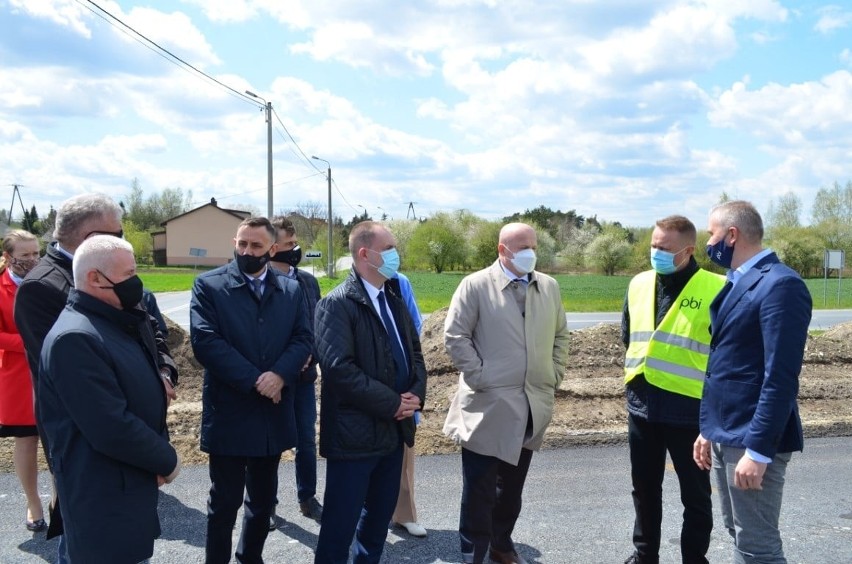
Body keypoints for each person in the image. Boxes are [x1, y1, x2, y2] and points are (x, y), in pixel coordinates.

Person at [14, 192, 178, 561]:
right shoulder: (46, 289)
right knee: (93, 538)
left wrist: (162, 371)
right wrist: (162, 458)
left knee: (122, 539)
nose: (122, 237)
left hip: (129, 444)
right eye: (116, 231)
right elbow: (89, 394)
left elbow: (146, 327)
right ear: (90, 237)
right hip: (92, 447)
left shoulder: (111, 270)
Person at [443, 222, 569, 564]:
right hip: (487, 405)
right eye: (522, 246)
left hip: (531, 404)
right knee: (480, 488)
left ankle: (501, 542)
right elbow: (456, 337)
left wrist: (553, 374)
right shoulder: (476, 285)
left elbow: (561, 335)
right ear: (502, 250)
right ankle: (474, 550)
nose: (531, 252)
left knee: (511, 489)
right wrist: (481, 376)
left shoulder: (548, 287)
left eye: (533, 245)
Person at [693, 200, 812, 564]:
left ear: (732, 234)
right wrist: (708, 429)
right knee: (738, 534)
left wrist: (758, 451)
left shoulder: (781, 285)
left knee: (757, 547)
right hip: (725, 432)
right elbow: (728, 365)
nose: (708, 243)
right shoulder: (738, 281)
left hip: (752, 440)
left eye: (711, 233)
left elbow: (779, 378)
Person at [190, 216, 312, 564]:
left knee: (261, 501)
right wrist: (260, 380)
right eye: (242, 243)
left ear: (272, 249)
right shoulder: (209, 286)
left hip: (271, 413)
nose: (247, 251)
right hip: (230, 411)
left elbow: (303, 338)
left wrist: (280, 375)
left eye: (256, 246)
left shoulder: (290, 290)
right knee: (224, 503)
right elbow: (206, 343)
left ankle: (250, 558)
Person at [313, 221, 427, 564]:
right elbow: (339, 369)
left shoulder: (393, 297)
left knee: (376, 527)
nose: (396, 254)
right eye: (389, 247)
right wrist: (394, 402)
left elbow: (415, 353)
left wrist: (416, 395)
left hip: (393, 435)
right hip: (354, 439)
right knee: (339, 529)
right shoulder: (337, 304)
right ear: (365, 253)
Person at [621, 216, 725, 564]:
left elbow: (726, 354)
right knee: (644, 489)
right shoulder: (638, 284)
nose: (656, 253)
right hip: (642, 406)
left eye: (664, 248)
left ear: (688, 251)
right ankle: (644, 555)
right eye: (653, 245)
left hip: (690, 411)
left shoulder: (716, 287)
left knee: (695, 497)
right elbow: (629, 336)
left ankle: (694, 559)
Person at [268, 216, 323, 527]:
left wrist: (308, 355)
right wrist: (286, 362)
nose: (295, 250)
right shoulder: (262, 282)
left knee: (306, 439)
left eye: (294, 243)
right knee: (271, 443)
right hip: (274, 381)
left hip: (303, 379)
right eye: (288, 245)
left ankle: (307, 497)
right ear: (273, 247)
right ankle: (267, 504)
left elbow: (316, 326)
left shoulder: (307, 282)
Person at [0, 230, 46, 532]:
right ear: (8, 257)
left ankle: (61, 502)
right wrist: (28, 342)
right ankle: (33, 503)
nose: (32, 260)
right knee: (27, 440)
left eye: (36, 253)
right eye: (25, 255)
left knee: (61, 441)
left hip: (56, 369)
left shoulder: (50, 280)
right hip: (19, 376)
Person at [389, 271, 427, 538]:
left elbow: (415, 327)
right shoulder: (349, 290)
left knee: (404, 456)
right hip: (368, 387)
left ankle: (404, 515)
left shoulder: (400, 282)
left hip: (401, 381)